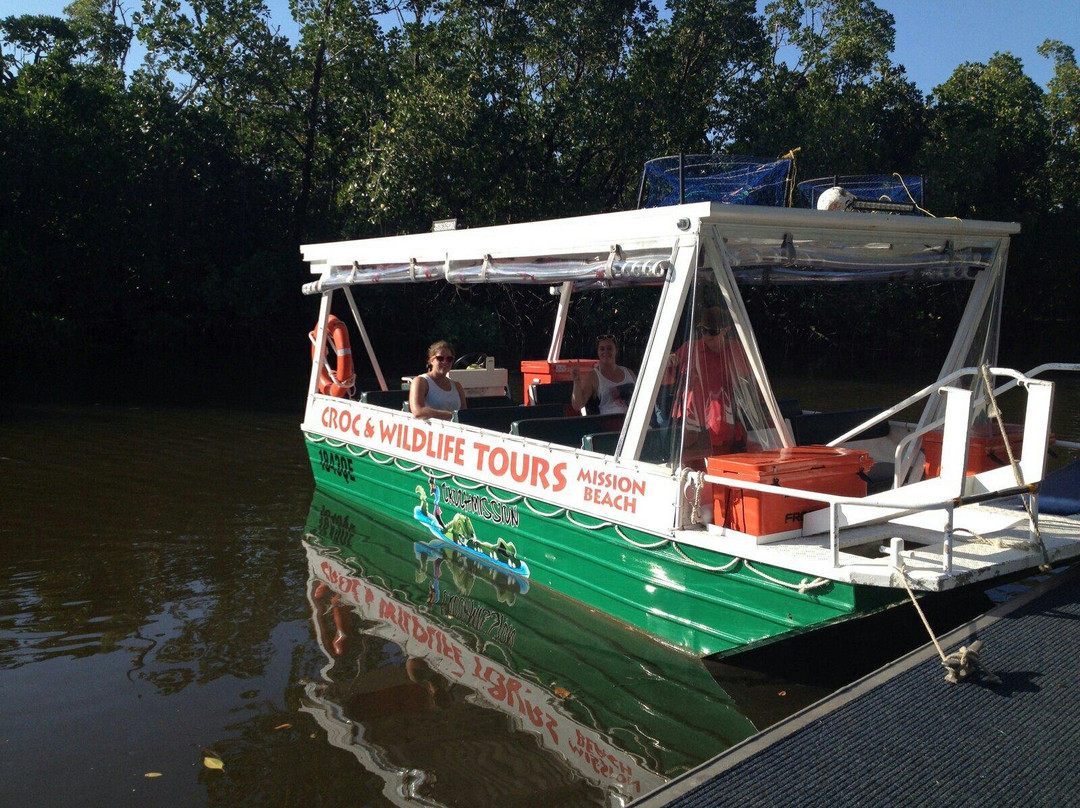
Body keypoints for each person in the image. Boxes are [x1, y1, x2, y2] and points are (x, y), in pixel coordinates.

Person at [664, 306, 748, 458]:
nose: (706, 336)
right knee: (690, 465)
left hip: (724, 420)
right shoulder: (690, 348)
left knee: (722, 464)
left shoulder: (736, 349)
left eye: (712, 331)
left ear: (726, 330)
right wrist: (667, 363)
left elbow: (747, 383)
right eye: (703, 330)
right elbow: (666, 382)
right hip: (692, 421)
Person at [571, 334, 637, 415]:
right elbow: (577, 405)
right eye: (602, 349)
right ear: (598, 352)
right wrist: (577, 381)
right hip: (611, 423)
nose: (606, 352)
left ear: (616, 350)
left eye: (609, 348)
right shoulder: (592, 377)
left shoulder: (629, 372)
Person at [410, 340, 467, 420]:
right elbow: (418, 412)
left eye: (449, 359)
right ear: (431, 360)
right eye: (440, 358)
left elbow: (465, 414)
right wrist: (453, 415)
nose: (445, 362)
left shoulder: (457, 386)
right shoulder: (421, 381)